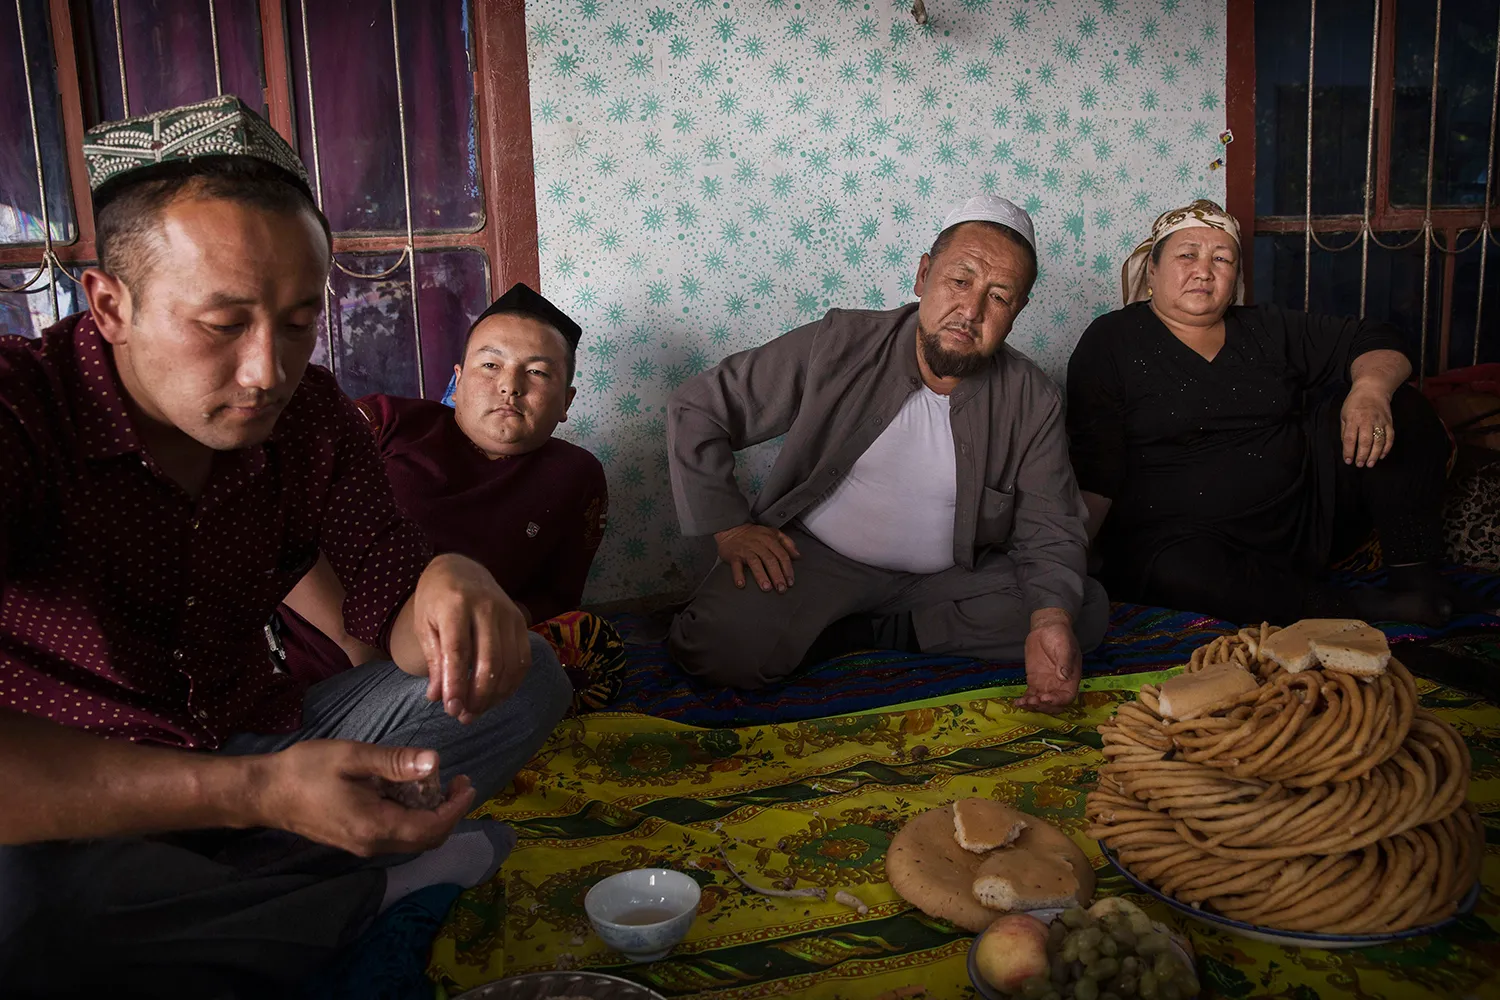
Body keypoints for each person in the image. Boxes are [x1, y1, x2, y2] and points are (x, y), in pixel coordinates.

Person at [0, 96, 570, 996]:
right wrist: (258, 797)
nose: (268, 370)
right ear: (109, 305)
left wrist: (448, 580)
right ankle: (360, 887)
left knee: (525, 674)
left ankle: (226, 903)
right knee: (21, 922)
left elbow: (390, 592)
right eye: (222, 325)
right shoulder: (22, 415)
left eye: (300, 321)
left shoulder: (311, 419)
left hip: (255, 740)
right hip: (77, 792)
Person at [666, 195, 1109, 713]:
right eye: (959, 281)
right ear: (923, 275)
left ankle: (864, 633)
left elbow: (1050, 526)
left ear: (1018, 312)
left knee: (1078, 615)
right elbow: (699, 407)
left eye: (999, 297)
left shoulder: (1032, 398)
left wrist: (1049, 620)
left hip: (948, 579)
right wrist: (730, 527)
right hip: (816, 560)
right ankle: (846, 624)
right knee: (717, 650)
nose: (971, 311)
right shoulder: (840, 342)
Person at [1066, 198, 1461, 627]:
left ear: (1235, 276)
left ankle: (1416, 583)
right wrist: (1067, 568)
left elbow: (1377, 338)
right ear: (1153, 271)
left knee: (1400, 405)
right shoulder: (1111, 340)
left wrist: (1369, 390)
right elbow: (1096, 469)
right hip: (1187, 539)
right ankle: (1361, 610)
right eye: (1187, 255)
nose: (1204, 270)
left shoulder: (1264, 327)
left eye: (1222, 258)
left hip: (1305, 518)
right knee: (1172, 572)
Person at [277, 284, 619, 711]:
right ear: (457, 381)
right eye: (490, 364)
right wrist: (355, 646)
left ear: (566, 401)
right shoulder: (385, 422)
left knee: (544, 677)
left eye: (537, 372)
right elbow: (274, 519)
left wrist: (488, 631)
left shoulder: (576, 476)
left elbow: (556, 595)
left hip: (437, 678)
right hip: (303, 653)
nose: (509, 387)